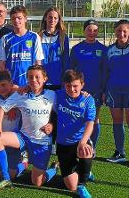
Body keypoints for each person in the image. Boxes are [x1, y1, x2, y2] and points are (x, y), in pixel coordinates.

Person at [0, 65, 58, 190]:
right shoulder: (22, 94)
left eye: (37, 77)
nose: (34, 80)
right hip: (23, 136)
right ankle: (6, 179)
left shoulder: (53, 95)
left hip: (41, 141)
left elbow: (63, 113)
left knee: (37, 182)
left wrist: (53, 125)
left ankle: (53, 169)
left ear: (45, 79)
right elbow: (0, 109)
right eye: (30, 77)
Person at [105, 19, 129, 166]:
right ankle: (120, 152)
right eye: (119, 30)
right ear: (115, 32)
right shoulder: (110, 50)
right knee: (117, 121)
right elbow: (106, 72)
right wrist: (104, 90)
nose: (121, 33)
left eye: (124, 30)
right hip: (113, 91)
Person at [54, 70, 96, 198]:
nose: (72, 89)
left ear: (82, 84)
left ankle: (82, 185)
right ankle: (84, 172)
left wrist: (83, 141)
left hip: (79, 140)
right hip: (63, 143)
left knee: (86, 150)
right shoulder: (57, 95)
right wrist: (24, 88)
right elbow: (39, 88)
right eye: (68, 86)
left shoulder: (88, 100)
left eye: (75, 86)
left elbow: (90, 123)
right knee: (71, 186)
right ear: (64, 85)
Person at [70, 19, 107, 151]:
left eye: (95, 30)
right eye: (89, 30)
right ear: (84, 31)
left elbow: (105, 72)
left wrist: (103, 91)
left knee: (94, 119)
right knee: (77, 118)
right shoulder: (76, 49)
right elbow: (71, 71)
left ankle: (92, 147)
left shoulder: (103, 49)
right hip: (79, 91)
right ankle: (77, 145)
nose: (92, 33)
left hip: (96, 91)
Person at [0, 5, 44, 86]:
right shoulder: (5, 39)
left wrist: (36, 84)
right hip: (11, 86)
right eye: (13, 18)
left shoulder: (34, 37)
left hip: (30, 85)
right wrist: (7, 84)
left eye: (19, 18)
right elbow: (2, 66)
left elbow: (38, 63)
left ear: (25, 19)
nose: (16, 20)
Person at [40, 7, 69, 90]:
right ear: (45, 18)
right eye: (50, 17)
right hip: (41, 81)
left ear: (58, 20)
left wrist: (65, 79)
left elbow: (66, 60)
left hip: (57, 80)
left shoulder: (63, 37)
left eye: (55, 18)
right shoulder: (38, 36)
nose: (52, 20)